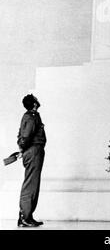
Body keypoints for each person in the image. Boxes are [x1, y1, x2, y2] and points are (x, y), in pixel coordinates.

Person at [17, 94, 46, 228]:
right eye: (36, 99)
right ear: (34, 103)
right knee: (31, 185)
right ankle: (25, 217)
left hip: (34, 151)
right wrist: (22, 148)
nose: (38, 100)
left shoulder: (32, 116)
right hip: (34, 151)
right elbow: (25, 136)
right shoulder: (31, 116)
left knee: (33, 184)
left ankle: (27, 216)